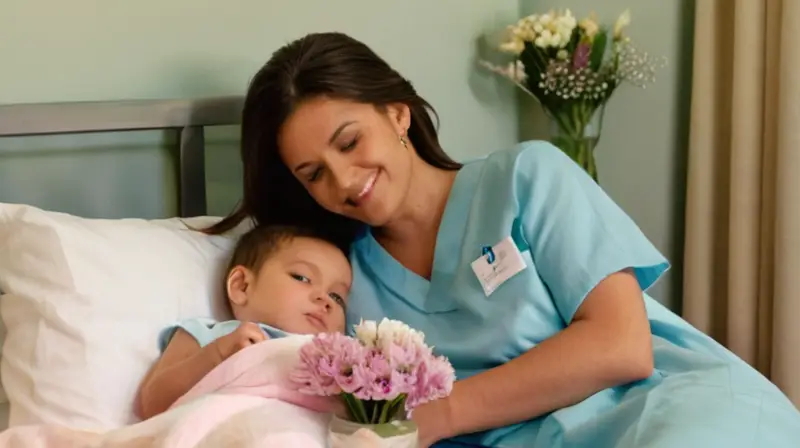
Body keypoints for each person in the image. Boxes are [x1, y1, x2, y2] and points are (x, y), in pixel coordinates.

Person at [204, 31, 800, 447]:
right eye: (313, 174)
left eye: (349, 141)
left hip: (661, 408)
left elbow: (622, 345)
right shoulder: (339, 281)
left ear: (398, 114)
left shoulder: (527, 177)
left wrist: (441, 416)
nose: (343, 179)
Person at [136, 225, 352, 420]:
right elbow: (153, 404)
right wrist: (217, 353)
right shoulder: (212, 335)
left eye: (337, 297)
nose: (324, 300)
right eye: (302, 277)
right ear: (242, 286)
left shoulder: (343, 361)